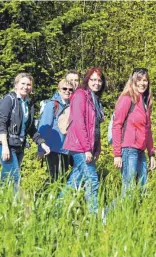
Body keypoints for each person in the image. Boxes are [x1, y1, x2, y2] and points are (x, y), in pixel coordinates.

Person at [0, 73, 50, 191]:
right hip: (7, 144)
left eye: (29, 84)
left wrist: (42, 143)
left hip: (19, 145)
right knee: (15, 177)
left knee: (6, 177)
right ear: (16, 85)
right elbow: (2, 123)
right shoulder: (9, 99)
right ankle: (18, 206)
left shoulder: (28, 104)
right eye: (23, 83)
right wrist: (5, 146)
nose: (26, 87)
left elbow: (30, 128)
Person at [62, 67, 106, 214]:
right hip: (79, 146)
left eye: (99, 80)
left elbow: (95, 126)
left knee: (74, 181)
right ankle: (94, 216)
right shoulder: (80, 95)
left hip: (87, 147)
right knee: (92, 180)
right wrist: (87, 148)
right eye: (93, 79)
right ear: (87, 80)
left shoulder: (95, 99)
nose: (96, 83)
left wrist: (96, 147)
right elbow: (79, 123)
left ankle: (56, 211)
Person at [112, 68, 156, 197]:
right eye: (139, 80)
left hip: (141, 151)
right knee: (129, 190)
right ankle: (105, 215)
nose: (143, 83)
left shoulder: (145, 102)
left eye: (145, 80)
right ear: (133, 81)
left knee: (142, 189)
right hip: (128, 149)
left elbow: (148, 130)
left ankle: (133, 216)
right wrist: (117, 154)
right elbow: (117, 125)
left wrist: (151, 153)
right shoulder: (127, 99)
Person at [37, 78, 74, 183]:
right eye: (64, 88)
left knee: (62, 178)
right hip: (52, 148)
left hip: (67, 149)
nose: (67, 91)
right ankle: (40, 197)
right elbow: (44, 127)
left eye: (70, 89)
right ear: (59, 90)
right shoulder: (52, 105)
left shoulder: (73, 106)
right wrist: (40, 149)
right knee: (54, 178)